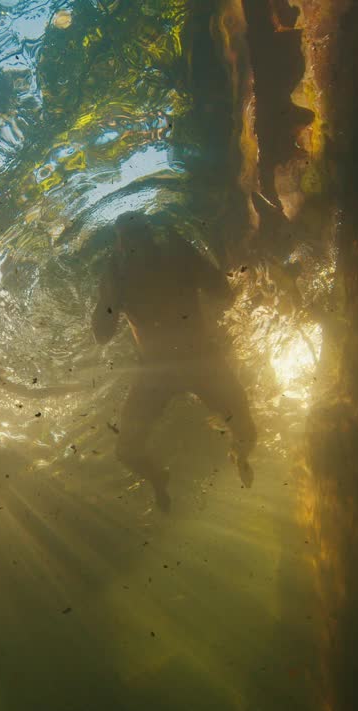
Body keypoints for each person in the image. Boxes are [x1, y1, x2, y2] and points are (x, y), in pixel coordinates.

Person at [92, 212, 257, 512]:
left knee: (247, 432)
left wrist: (192, 258)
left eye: (138, 239)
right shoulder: (122, 273)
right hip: (160, 371)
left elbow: (225, 294)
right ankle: (158, 479)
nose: (136, 249)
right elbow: (102, 335)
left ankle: (239, 455)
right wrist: (109, 293)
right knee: (126, 452)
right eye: (130, 243)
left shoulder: (171, 257)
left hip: (198, 361)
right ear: (121, 246)